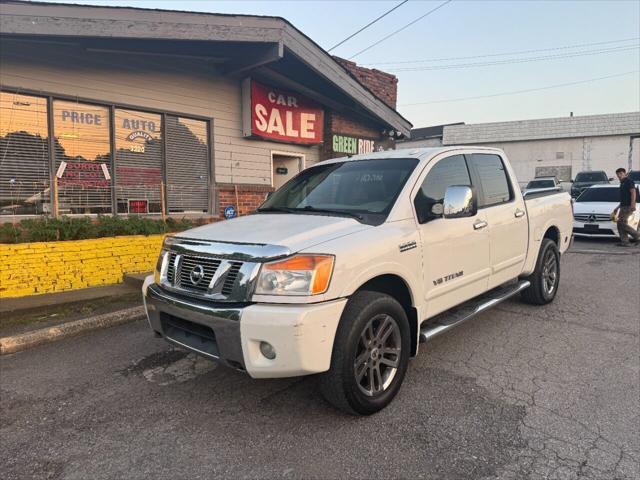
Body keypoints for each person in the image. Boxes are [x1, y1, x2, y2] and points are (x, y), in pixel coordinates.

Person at [612, 167, 639, 246]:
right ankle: (625, 242)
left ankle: (637, 235)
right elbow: (623, 198)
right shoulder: (622, 183)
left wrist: (633, 204)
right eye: (618, 174)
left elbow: (633, 192)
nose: (619, 175)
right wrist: (617, 208)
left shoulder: (628, 181)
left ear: (625, 173)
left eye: (621, 174)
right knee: (620, 224)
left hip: (628, 206)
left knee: (621, 223)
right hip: (623, 206)